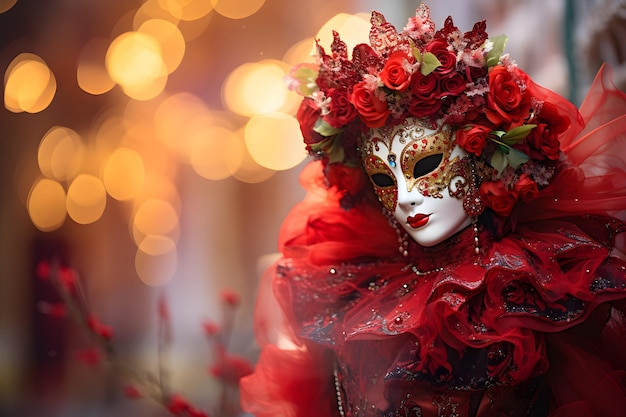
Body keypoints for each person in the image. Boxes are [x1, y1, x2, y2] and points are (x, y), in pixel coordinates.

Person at [240, 4, 626, 416]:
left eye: (424, 165)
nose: (405, 195)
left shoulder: (538, 282)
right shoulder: (353, 293)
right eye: (385, 180)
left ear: (479, 156)